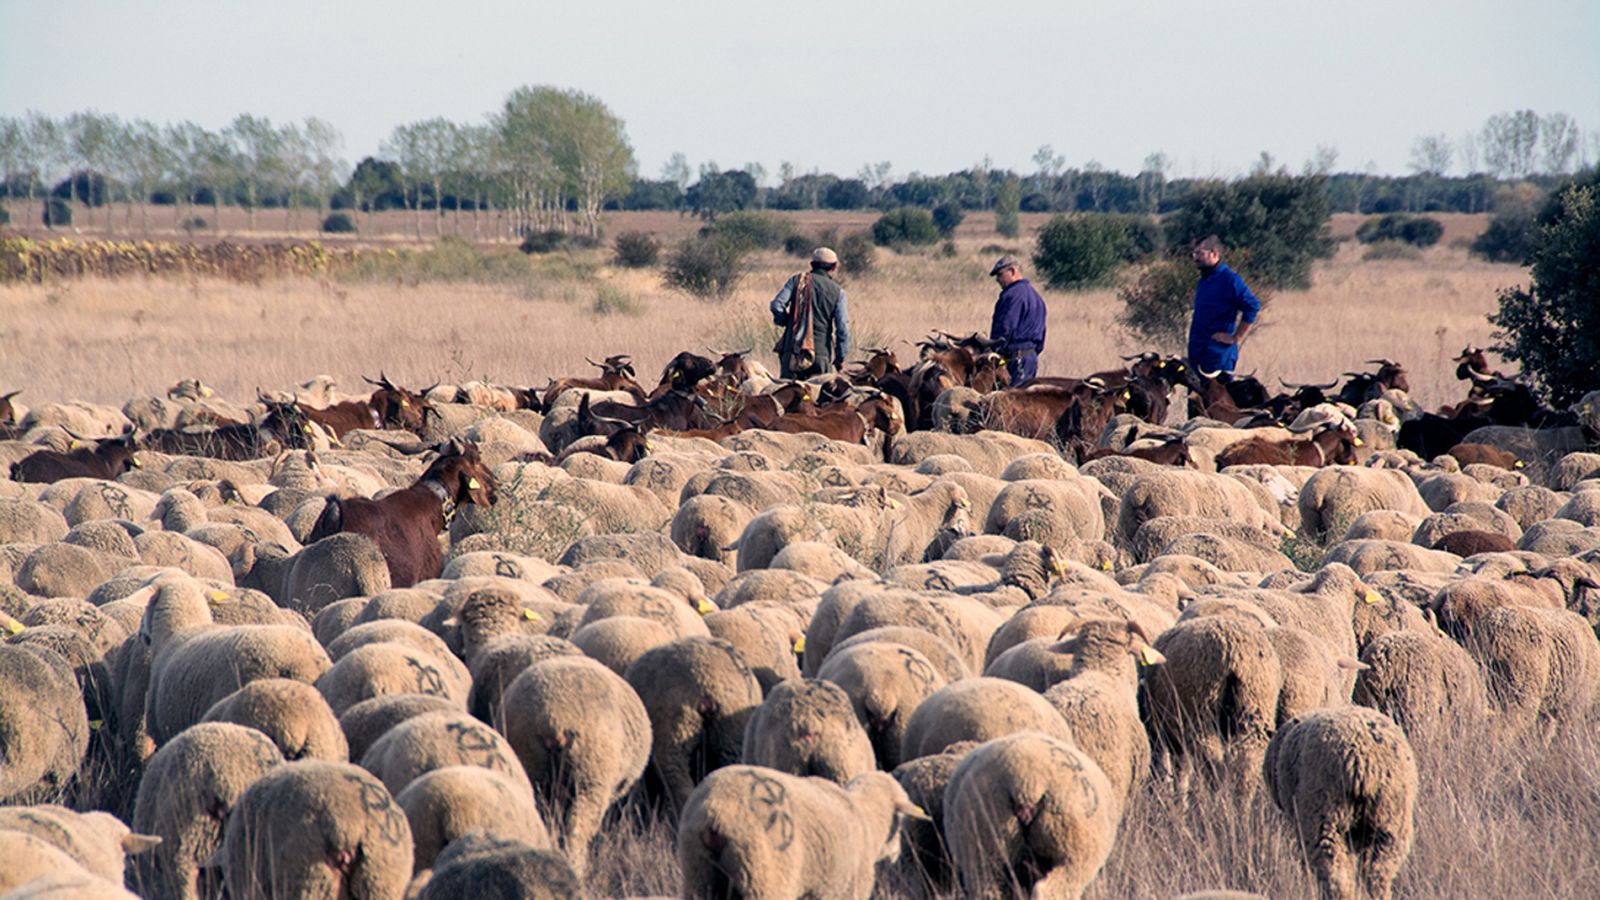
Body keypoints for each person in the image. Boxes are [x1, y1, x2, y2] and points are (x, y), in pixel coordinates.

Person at [770, 247, 851, 379]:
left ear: (812, 265)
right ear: (834, 267)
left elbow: (777, 305)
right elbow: (843, 328)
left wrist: (785, 321)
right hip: (820, 355)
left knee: (789, 396)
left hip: (792, 353)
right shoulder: (838, 292)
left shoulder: (797, 281)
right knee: (819, 398)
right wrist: (840, 357)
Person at [1186, 235, 1262, 375]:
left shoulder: (1230, 280)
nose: (1195, 258)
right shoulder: (1204, 280)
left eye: (1200, 253)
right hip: (1197, 353)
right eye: (1194, 253)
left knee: (1219, 396)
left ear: (1214, 253)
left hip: (1217, 356)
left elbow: (1252, 306)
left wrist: (1236, 337)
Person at [988, 254, 1048, 385]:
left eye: (999, 274)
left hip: (1016, 358)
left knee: (1012, 399)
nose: (997, 279)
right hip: (1030, 357)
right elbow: (1042, 334)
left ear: (1013, 271)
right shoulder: (1036, 296)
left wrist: (995, 351)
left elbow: (1005, 327)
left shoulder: (1012, 295)